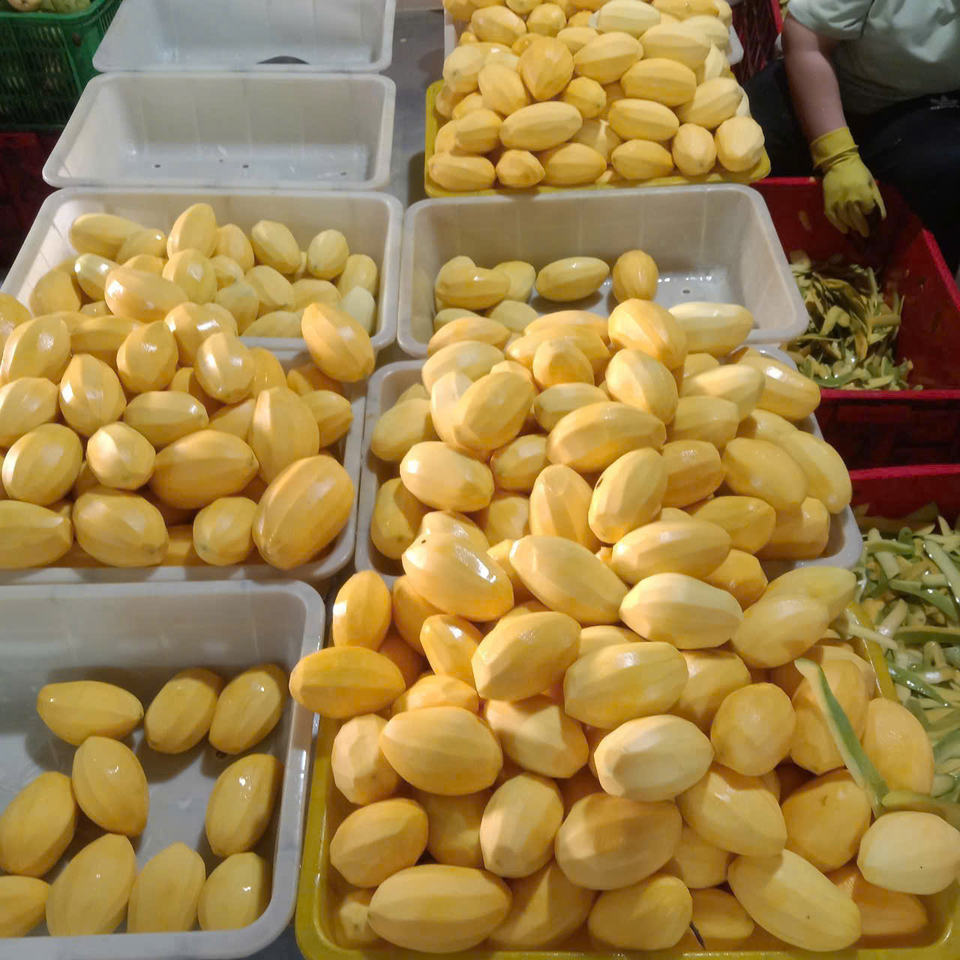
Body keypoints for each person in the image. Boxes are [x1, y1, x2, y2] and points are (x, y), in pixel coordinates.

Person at [746, 0, 960, 271]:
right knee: (740, 154)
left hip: (917, 108)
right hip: (827, 81)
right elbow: (806, 38)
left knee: (948, 176)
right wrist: (837, 155)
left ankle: (899, 275)